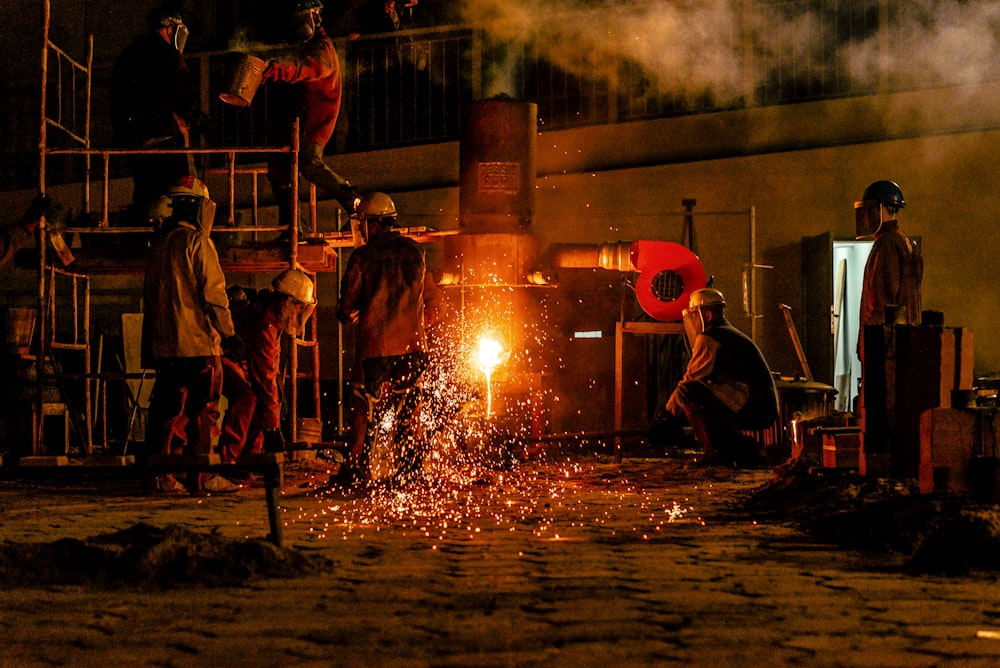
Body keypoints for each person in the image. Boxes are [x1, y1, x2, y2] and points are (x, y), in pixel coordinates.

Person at [333, 192, 444, 485]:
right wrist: (414, 326)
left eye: (362, 224)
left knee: (363, 408)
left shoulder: (363, 255)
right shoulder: (415, 252)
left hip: (374, 349)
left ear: (371, 223)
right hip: (414, 348)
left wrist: (348, 314)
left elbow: (348, 304)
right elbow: (436, 305)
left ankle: (356, 469)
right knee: (408, 408)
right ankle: (409, 470)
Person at [142, 177, 239, 494]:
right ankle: (203, 477)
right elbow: (213, 295)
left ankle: (162, 478)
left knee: (166, 414)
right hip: (198, 345)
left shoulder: (160, 245)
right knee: (203, 414)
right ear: (200, 207)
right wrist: (229, 334)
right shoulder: (198, 242)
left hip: (165, 347)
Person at [258, 0, 361, 236]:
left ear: (312, 18)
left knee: (308, 162)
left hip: (315, 122)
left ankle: (353, 201)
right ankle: (293, 229)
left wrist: (274, 70)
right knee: (280, 171)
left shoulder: (321, 48)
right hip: (298, 121)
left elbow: (305, 69)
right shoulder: (308, 45)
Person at [665, 288, 779, 466]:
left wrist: (668, 415)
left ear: (708, 315)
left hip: (752, 405)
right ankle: (743, 448)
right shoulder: (727, 333)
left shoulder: (712, 337)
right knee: (700, 395)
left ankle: (714, 454)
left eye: (695, 314)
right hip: (757, 404)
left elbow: (692, 377)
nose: (692, 319)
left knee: (687, 391)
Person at [110, 4, 199, 226]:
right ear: (170, 28)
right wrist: (198, 119)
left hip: (136, 140)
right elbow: (183, 96)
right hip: (166, 136)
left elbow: (116, 100)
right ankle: (175, 241)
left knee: (145, 192)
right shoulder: (168, 55)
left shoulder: (127, 56)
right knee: (177, 194)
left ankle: (142, 239)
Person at [218, 268, 318, 463]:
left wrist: (276, 396)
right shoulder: (265, 322)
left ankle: (251, 458)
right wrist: (273, 429)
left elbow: (271, 366)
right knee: (249, 397)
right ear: (287, 301)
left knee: (266, 397)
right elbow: (263, 375)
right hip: (218, 355)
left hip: (240, 361)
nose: (299, 312)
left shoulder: (274, 318)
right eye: (298, 306)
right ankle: (229, 461)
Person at [855, 180, 923, 331]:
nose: (865, 217)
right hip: (905, 337)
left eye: (868, 210)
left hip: (887, 341)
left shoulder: (886, 243)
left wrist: (872, 341)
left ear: (881, 208)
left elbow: (881, 300)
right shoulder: (904, 241)